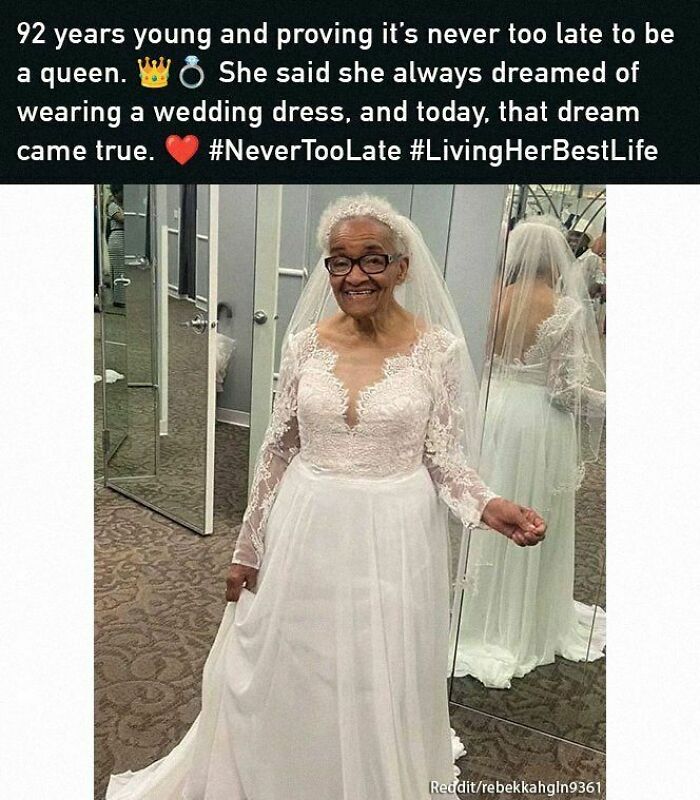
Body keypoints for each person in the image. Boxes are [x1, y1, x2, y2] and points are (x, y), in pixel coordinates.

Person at [105, 194, 546, 800]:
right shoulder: (306, 344)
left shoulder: (438, 350)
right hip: (308, 523)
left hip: (395, 530)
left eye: (372, 260)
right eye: (339, 261)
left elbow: (444, 459)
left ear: (401, 267)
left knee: (375, 665)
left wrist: (489, 506)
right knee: (300, 656)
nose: (354, 275)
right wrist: (247, 548)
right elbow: (277, 450)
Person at [454, 216, 606, 689]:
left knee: (488, 507)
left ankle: (471, 613)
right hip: (537, 423)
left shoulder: (491, 299)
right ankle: (520, 623)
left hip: (492, 408)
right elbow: (564, 391)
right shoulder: (564, 310)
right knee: (531, 512)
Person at [106, 184, 126, 308]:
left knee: (123, 270)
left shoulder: (122, 206)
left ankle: (123, 298)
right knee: (118, 270)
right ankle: (118, 299)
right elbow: (122, 219)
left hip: (124, 238)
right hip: (117, 238)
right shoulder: (112, 206)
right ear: (117, 193)